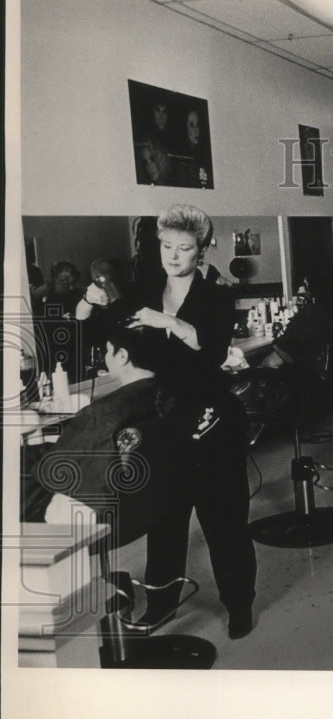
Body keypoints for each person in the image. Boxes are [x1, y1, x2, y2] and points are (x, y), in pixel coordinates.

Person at [77, 204, 256, 640]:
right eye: (167, 247)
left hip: (211, 425)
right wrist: (88, 301)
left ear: (201, 251)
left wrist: (168, 321)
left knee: (225, 525)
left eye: (185, 248)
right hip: (163, 427)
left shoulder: (216, 296)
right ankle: (161, 604)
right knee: (165, 524)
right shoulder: (140, 290)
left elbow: (212, 350)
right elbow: (93, 334)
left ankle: (238, 607)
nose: (174, 256)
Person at [21, 325, 162, 527]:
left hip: (89, 505)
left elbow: (54, 469)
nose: (105, 357)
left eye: (107, 350)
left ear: (122, 356)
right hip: (144, 500)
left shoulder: (103, 413)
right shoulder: (162, 396)